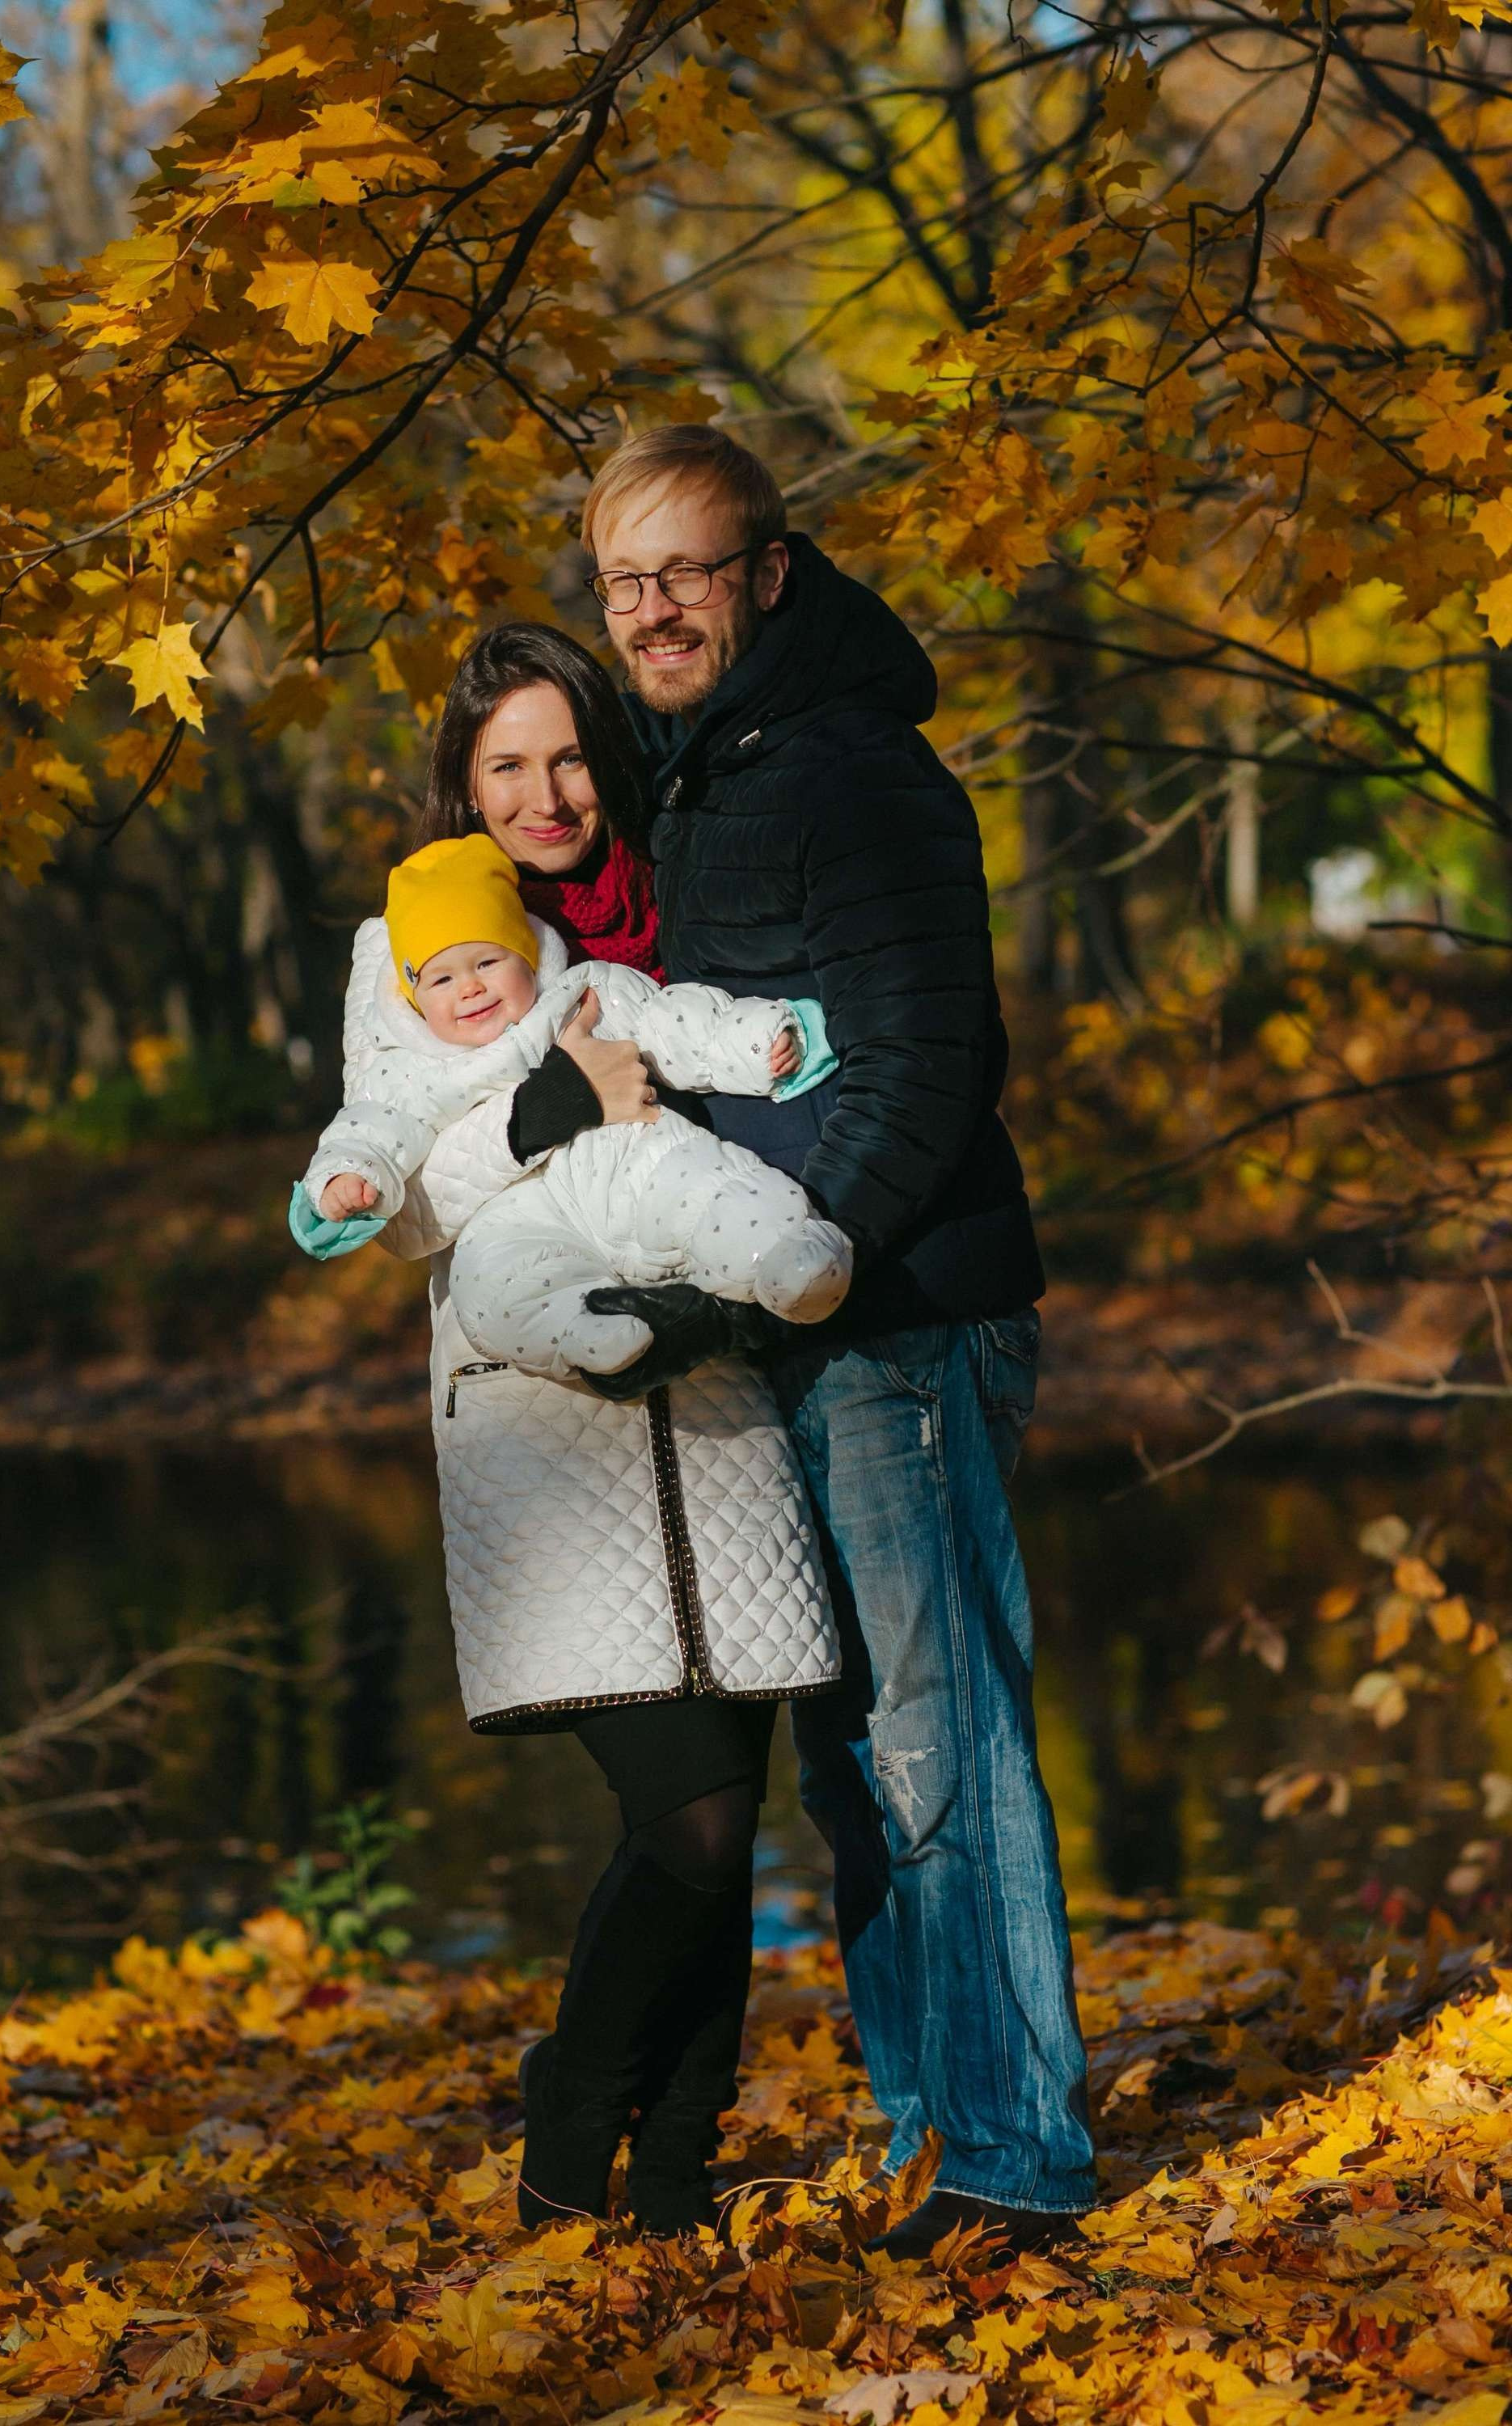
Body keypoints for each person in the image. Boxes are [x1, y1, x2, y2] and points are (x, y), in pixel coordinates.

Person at [577, 424, 1097, 2257]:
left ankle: (1013, 2160)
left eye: (686, 571)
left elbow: (926, 1071)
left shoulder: (854, 773)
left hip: (897, 1321)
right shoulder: (708, 775)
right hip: (786, 1324)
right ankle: (928, 2126)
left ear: (766, 575)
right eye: (624, 579)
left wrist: (791, 1267)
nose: (652, 607)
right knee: (850, 1766)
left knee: (934, 1745)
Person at [296, 623, 841, 2236]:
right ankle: (566, 2120)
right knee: (679, 1818)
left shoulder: (665, 914)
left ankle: (671, 2172)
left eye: (564, 754)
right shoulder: (412, 945)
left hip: (716, 1394)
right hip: (549, 1417)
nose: (544, 792)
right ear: (464, 783)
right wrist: (546, 1118)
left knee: (728, 1823)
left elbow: (729, 1093)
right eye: (504, 765)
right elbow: (399, 1205)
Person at [293, 831, 851, 1376]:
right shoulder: (409, 1068)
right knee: (493, 1285)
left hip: (630, 1158)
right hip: (515, 1214)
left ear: (528, 954)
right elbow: (371, 1129)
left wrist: (754, 1040)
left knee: (705, 1186)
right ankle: (586, 1333)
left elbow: (674, 1025)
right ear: (415, 995)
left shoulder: (580, 995)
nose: (469, 988)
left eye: (487, 962)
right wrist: (347, 1176)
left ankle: (788, 1258)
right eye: (441, 979)